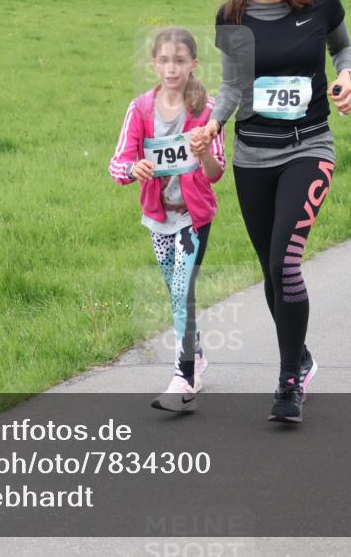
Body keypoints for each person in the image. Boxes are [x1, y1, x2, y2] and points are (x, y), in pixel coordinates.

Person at [200, 0, 351, 423]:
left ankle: (290, 379)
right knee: (270, 269)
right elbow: (230, 87)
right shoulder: (234, 16)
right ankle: (302, 356)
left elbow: (341, 49)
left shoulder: (321, 3)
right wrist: (212, 126)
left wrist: (346, 77)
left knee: (286, 262)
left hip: (308, 147)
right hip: (252, 156)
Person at [109, 27, 226, 413]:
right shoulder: (140, 108)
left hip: (193, 217)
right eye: (164, 61)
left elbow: (216, 171)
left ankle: (184, 377)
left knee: (181, 292)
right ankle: (197, 357)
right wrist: (135, 169)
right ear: (153, 64)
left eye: (180, 61)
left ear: (193, 64)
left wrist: (204, 151)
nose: (171, 69)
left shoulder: (207, 110)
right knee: (175, 292)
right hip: (158, 217)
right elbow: (118, 163)